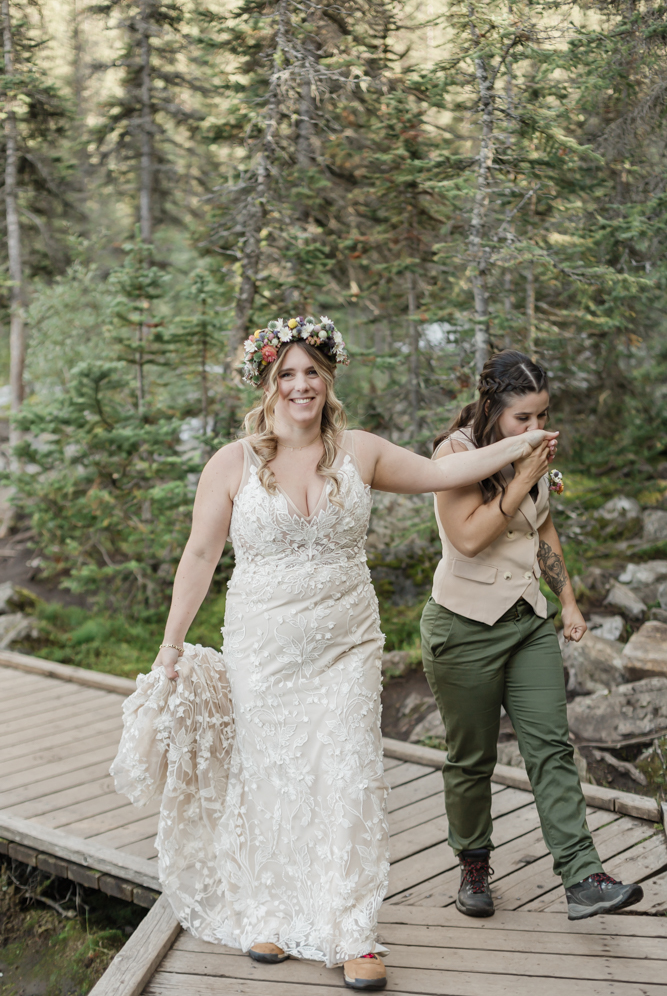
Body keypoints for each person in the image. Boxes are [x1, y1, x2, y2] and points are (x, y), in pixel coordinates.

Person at [112, 319, 557, 992]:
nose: (300, 385)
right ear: (267, 384)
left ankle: (354, 932)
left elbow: (442, 471)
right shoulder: (230, 463)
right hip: (262, 648)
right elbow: (199, 557)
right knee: (272, 778)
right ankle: (269, 910)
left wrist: (520, 443)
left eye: (311, 371)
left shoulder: (361, 451)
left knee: (346, 774)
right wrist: (170, 647)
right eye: (286, 373)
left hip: (346, 645)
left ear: (328, 378)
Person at [420, 349, 644, 922]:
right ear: (492, 408)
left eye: (543, 417)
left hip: (527, 623)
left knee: (551, 749)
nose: (536, 429)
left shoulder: (535, 454)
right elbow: (468, 538)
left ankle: (582, 875)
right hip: (463, 628)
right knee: (471, 758)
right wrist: (522, 474)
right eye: (524, 419)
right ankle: (473, 863)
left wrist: (567, 602)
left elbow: (544, 527)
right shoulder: (455, 455)